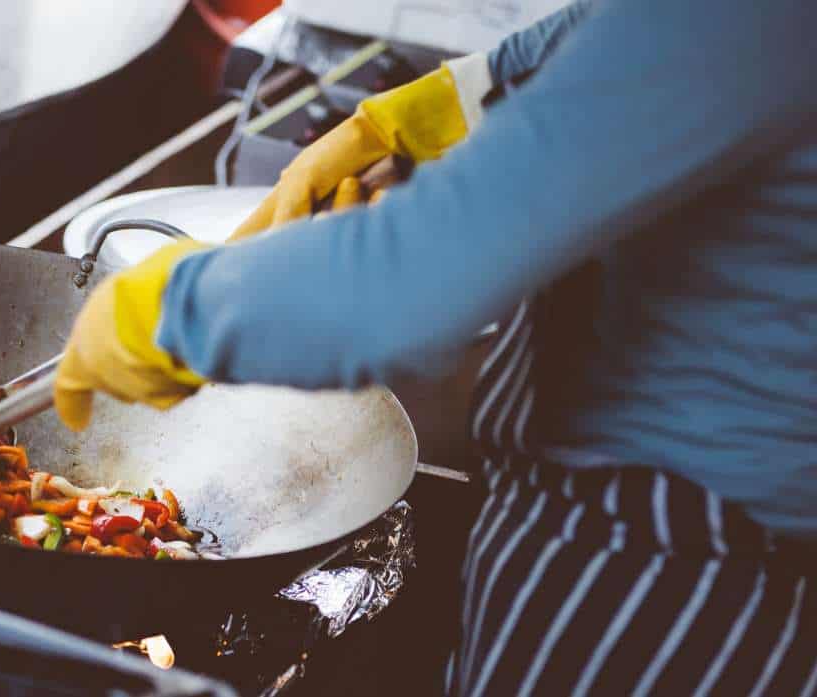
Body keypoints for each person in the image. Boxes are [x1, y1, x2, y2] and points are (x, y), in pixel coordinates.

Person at [53, 0, 817, 693]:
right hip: (659, 536)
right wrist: (462, 96)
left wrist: (172, 310)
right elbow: (623, 33)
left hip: (664, 568)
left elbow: (416, 279)